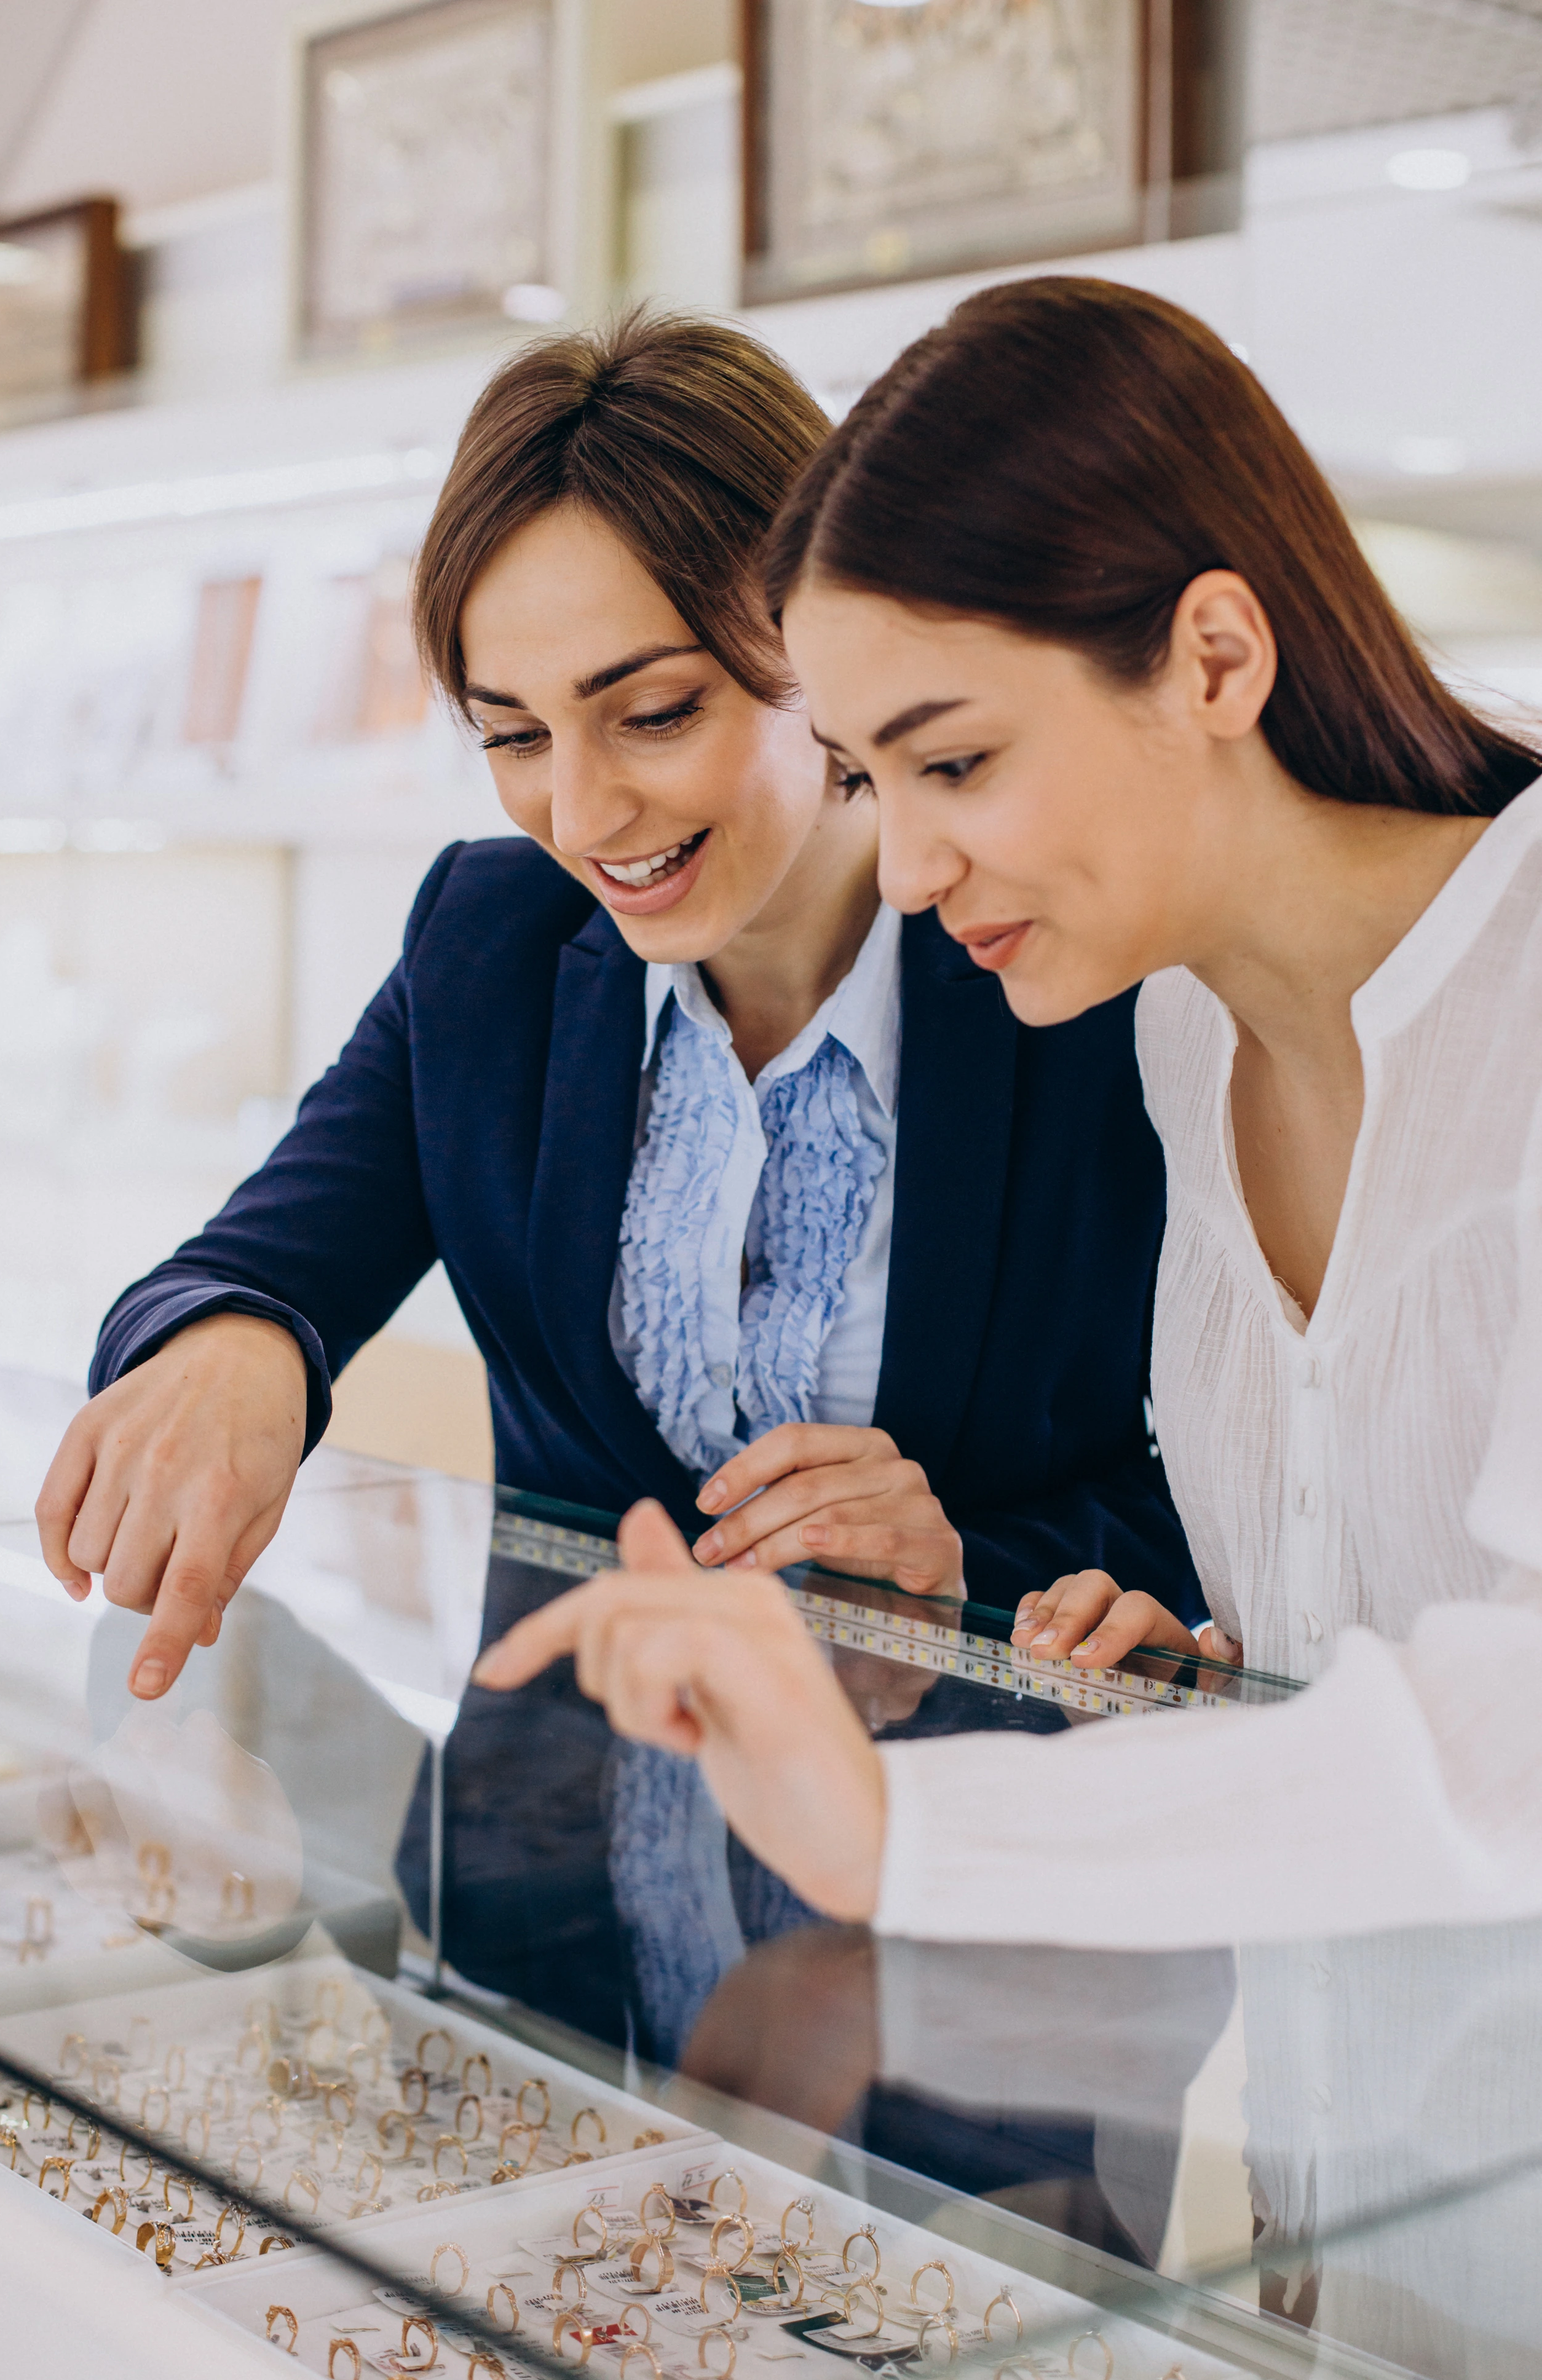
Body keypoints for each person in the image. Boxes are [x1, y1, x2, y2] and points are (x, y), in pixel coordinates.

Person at [475, 275, 1542, 1951]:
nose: (906, 869)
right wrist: (1201, 1673)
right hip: (1341, 2182)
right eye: (867, 775)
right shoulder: (1185, 1035)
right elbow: (1369, 1663)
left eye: (954, 763)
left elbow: (1515, 1748)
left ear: (1213, 657)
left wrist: (893, 1827)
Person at [36, 305, 1197, 1712]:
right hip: (556, 1874)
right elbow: (244, 1268)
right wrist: (238, 1343)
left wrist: (965, 1569)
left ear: (821, 643)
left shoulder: (1074, 969)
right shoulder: (490, 939)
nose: (579, 816)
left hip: (963, 1859)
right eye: (514, 735)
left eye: (651, 712)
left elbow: (1227, 1522)